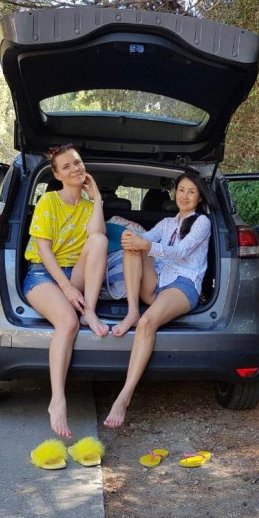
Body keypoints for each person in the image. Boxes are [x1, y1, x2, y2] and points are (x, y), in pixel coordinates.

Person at [104, 172, 215, 428]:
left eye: (191, 192)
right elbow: (145, 240)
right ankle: (132, 310)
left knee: (147, 323)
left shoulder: (202, 223)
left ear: (199, 198)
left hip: (183, 285)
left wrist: (146, 246)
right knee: (132, 247)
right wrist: (130, 238)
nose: (184, 196)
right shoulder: (166, 223)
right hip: (158, 283)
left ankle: (123, 397)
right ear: (174, 192)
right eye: (181, 190)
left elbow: (181, 251)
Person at [23, 144, 109, 438]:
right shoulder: (49, 201)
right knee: (68, 323)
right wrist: (67, 288)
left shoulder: (87, 206)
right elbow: (44, 251)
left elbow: (98, 236)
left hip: (77, 272)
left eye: (78, 163)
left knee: (99, 241)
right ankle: (57, 400)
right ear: (58, 175)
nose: (75, 169)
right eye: (67, 166)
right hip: (43, 274)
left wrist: (97, 198)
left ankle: (90, 311)